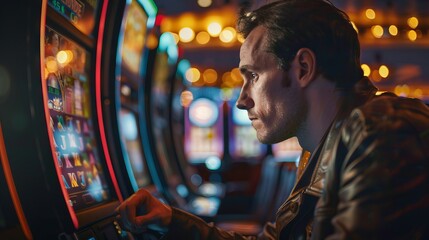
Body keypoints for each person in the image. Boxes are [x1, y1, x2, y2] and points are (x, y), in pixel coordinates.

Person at [115, 0, 429, 239]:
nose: (241, 100)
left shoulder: (384, 132)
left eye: (252, 75)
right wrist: (173, 222)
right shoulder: (317, 150)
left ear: (303, 68)